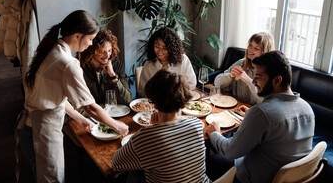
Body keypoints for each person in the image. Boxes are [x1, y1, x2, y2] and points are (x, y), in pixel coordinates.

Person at [17, 10, 129, 183]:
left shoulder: (52, 49)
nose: (90, 44)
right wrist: (117, 126)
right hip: (42, 128)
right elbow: (90, 107)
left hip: (29, 126)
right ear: (77, 36)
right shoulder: (69, 63)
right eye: (90, 39)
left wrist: (78, 118)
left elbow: (55, 95)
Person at [205, 51, 315, 183]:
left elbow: (230, 152)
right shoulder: (307, 108)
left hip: (253, 178)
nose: (254, 81)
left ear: (277, 80)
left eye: (258, 77)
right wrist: (252, 118)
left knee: (209, 159)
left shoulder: (261, 113)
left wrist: (215, 133)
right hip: (291, 177)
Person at [113, 69, 211, 183]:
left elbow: (116, 164)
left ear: (152, 99)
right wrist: (158, 127)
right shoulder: (197, 124)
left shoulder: (146, 137)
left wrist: (154, 128)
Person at [214, 32, 274, 105]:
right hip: (236, 107)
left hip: (255, 113)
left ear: (265, 52)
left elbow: (265, 101)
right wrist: (230, 76)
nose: (250, 49)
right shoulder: (241, 63)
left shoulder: (269, 73)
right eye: (250, 45)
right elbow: (217, 83)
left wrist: (248, 81)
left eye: (256, 48)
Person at [138, 27, 196, 97]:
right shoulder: (148, 65)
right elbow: (143, 91)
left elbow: (192, 84)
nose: (160, 50)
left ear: (172, 48)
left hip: (178, 101)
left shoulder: (183, 60)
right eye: (157, 46)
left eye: (165, 47)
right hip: (157, 104)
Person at [79, 29, 132, 106]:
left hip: (114, 113)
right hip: (90, 115)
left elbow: (127, 100)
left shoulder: (116, 64)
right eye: (101, 51)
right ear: (91, 51)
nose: (107, 56)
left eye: (109, 50)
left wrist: (113, 76)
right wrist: (103, 109)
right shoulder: (80, 67)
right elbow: (76, 105)